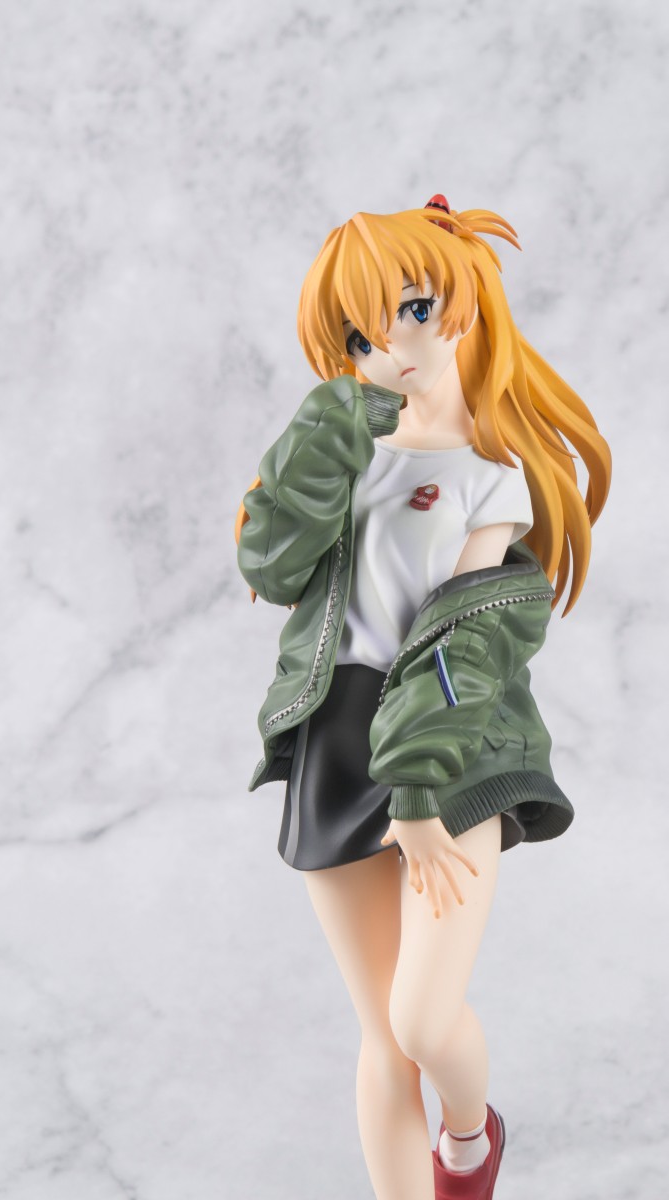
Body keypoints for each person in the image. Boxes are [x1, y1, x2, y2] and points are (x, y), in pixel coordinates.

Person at [236, 197, 610, 1200]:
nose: (392, 349)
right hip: (334, 733)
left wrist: (414, 791)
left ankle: (469, 1137)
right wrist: (324, 435)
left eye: (411, 311)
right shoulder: (342, 448)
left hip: (450, 744)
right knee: (380, 1034)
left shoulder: (494, 480)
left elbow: (466, 642)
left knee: (421, 1019)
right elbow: (272, 566)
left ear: (464, 300)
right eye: (360, 336)